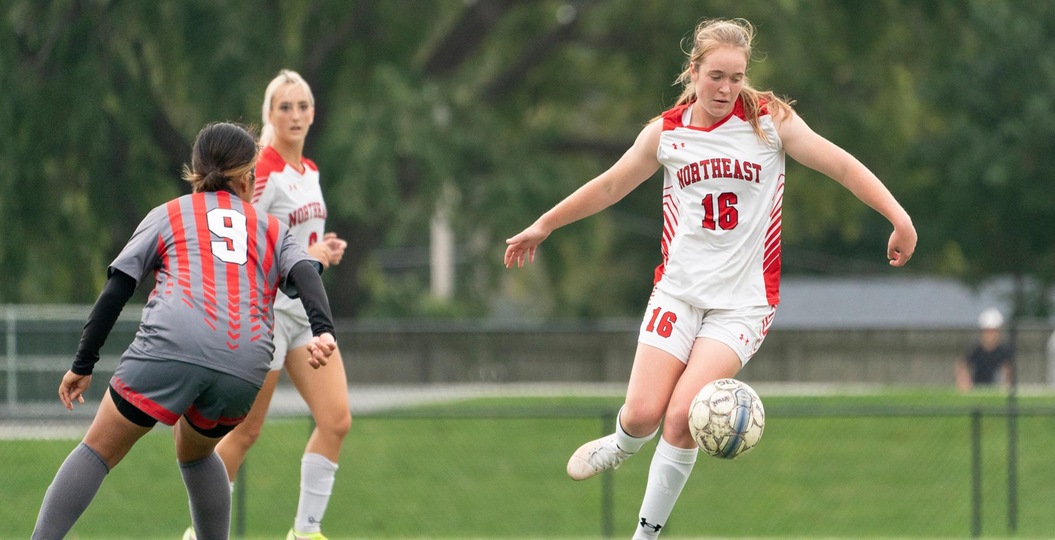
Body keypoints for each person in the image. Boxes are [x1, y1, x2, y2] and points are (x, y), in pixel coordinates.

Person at [504, 17, 917, 539]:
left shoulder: (771, 124)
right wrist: (543, 225)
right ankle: (621, 443)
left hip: (743, 305)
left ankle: (644, 535)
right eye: (716, 76)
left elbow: (841, 166)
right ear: (694, 71)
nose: (726, 89)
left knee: (682, 418)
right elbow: (609, 187)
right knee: (642, 414)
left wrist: (899, 217)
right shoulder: (667, 133)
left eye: (737, 77)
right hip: (678, 292)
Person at [31, 122, 338, 540]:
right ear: (248, 178)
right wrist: (323, 330)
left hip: (172, 343)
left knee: (99, 449)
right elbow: (305, 272)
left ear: (195, 173)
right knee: (196, 452)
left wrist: (83, 363)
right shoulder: (271, 228)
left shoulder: (169, 213)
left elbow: (118, 287)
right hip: (245, 359)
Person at [185, 70, 351, 540]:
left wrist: (322, 252)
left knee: (336, 420)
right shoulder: (264, 170)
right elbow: (240, 238)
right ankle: (198, 533)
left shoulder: (310, 171)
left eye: (303, 106)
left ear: (314, 113)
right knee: (244, 432)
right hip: (268, 313)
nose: (295, 115)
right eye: (285, 107)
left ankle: (305, 532)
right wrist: (307, 259)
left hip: (304, 315)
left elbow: (301, 242)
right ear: (269, 114)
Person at [955, 307, 1013, 392]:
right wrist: (964, 382)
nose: (990, 335)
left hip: (997, 392)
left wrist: (1005, 386)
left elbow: (1008, 373)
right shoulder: (975, 350)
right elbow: (962, 366)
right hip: (978, 392)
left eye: (993, 331)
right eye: (987, 331)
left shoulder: (1004, 351)